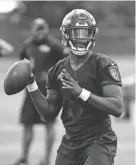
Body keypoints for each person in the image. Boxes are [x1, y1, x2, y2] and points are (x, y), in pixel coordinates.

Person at [26, 9, 124, 165]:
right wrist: (31, 84)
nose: (81, 38)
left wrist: (81, 93)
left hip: (99, 140)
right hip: (70, 142)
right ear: (66, 34)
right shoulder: (57, 70)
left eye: (85, 33)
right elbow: (49, 114)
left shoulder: (104, 64)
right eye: (76, 32)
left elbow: (118, 107)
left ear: (92, 34)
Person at [10, 18, 67, 165]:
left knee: (49, 124)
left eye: (42, 28)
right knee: (27, 124)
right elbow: (20, 65)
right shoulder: (27, 45)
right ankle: (24, 157)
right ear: (33, 29)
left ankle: (47, 159)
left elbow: (66, 65)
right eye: (37, 28)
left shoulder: (55, 46)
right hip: (30, 91)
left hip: (49, 92)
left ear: (46, 28)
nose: (40, 31)